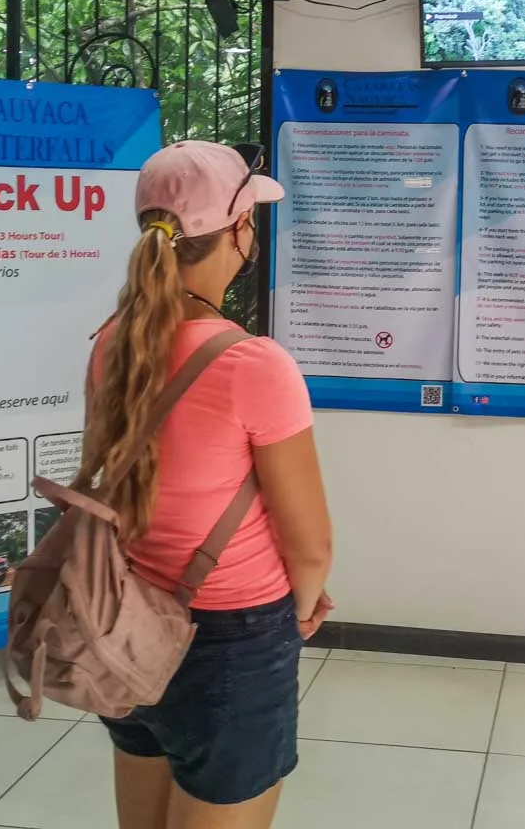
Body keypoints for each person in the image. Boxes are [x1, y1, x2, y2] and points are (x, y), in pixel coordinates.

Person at [73, 140, 332, 829]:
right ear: (240, 231)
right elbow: (310, 548)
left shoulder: (111, 341)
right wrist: (300, 610)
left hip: (126, 619)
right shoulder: (255, 363)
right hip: (232, 639)